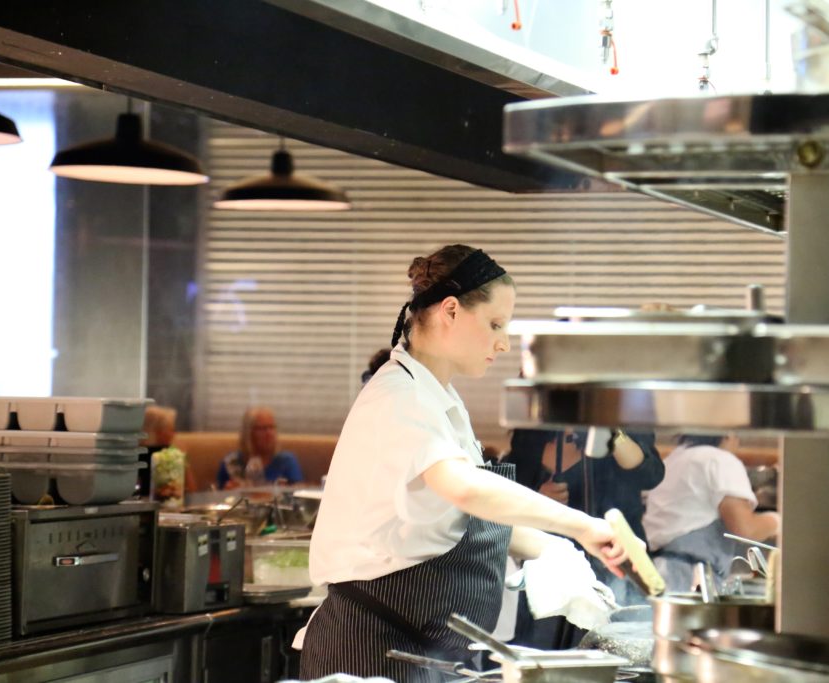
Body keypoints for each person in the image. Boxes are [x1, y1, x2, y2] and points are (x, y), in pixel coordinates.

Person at [298, 245, 629, 682]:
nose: (504, 342)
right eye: (495, 324)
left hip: (426, 652)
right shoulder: (399, 397)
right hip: (371, 650)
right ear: (450, 311)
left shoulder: (439, 397)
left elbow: (471, 517)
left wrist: (553, 549)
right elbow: (466, 488)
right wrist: (582, 526)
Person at [502, 427, 663, 647]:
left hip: (618, 552)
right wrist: (540, 495)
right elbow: (514, 485)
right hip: (554, 560)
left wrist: (607, 429)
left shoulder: (620, 425)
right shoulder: (533, 433)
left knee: (624, 644)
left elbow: (650, 473)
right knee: (545, 648)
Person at [641, 433, 780, 593]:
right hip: (692, 576)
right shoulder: (720, 460)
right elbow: (745, 527)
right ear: (729, 435)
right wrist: (777, 522)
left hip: (658, 572)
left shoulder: (673, 460)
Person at [217, 407, 303, 489]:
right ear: (248, 432)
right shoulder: (231, 462)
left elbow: (298, 493)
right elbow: (217, 496)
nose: (269, 433)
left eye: (271, 427)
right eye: (262, 429)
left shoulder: (286, 461)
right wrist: (228, 491)